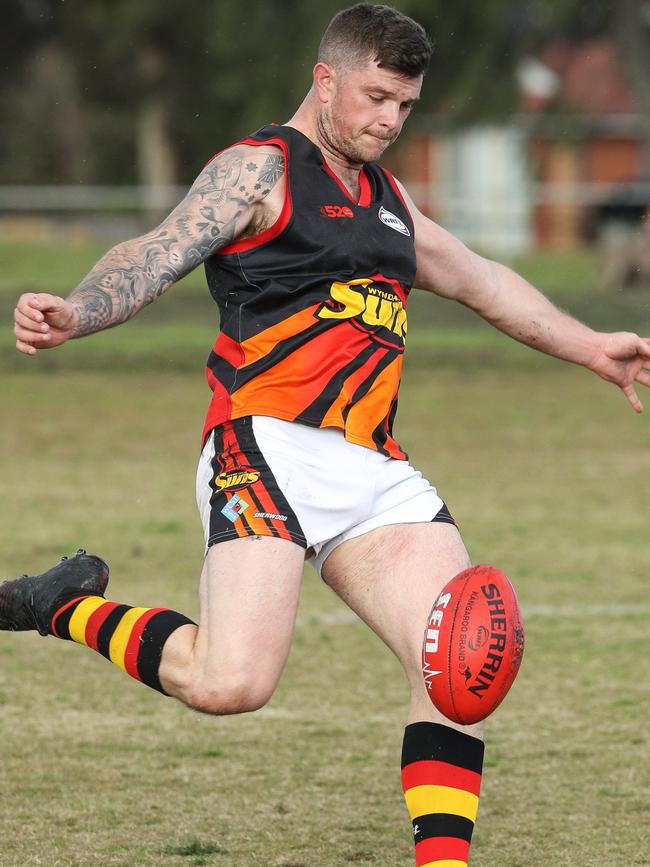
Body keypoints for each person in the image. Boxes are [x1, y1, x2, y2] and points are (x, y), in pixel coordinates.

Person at [4, 5, 650, 865]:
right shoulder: (259, 172)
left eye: (406, 105)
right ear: (326, 79)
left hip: (373, 468)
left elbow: (486, 282)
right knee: (230, 684)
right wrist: (78, 310)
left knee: (458, 663)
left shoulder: (389, 203)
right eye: (377, 97)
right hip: (263, 445)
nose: (389, 119)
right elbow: (159, 250)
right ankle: (63, 603)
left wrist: (594, 347)